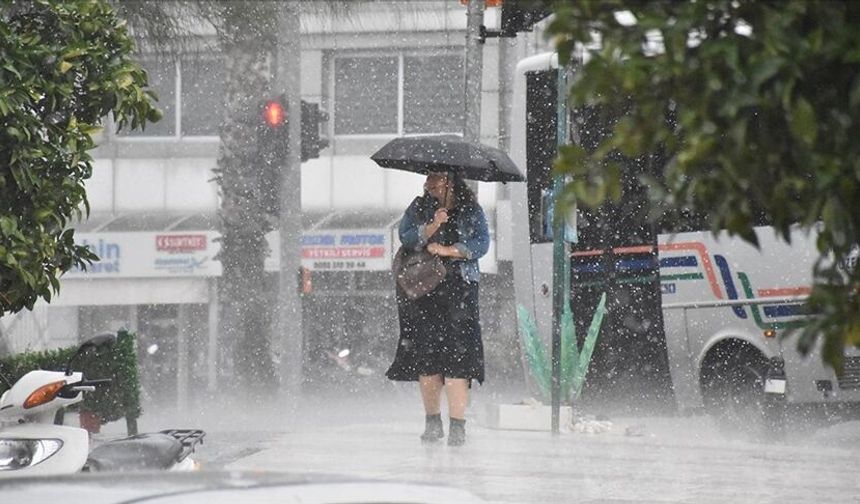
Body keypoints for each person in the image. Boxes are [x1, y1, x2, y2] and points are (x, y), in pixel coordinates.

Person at [386, 171, 489, 446]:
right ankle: (432, 422)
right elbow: (407, 236)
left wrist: (450, 250)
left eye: (436, 178)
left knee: (459, 358)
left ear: (450, 181)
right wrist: (433, 225)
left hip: (461, 288)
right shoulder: (419, 207)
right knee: (427, 356)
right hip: (424, 289)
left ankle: (458, 426)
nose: (429, 182)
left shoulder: (471, 209)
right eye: (428, 177)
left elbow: (482, 243)